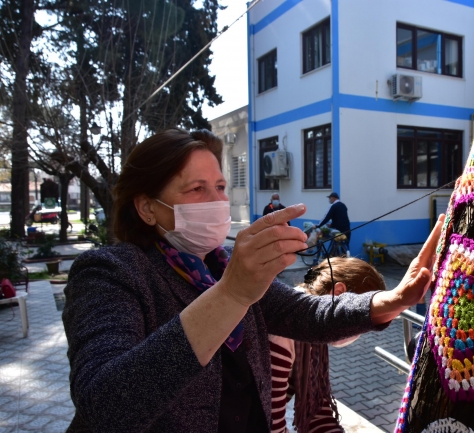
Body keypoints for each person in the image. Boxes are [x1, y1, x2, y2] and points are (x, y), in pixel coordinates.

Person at [62, 128, 445, 432]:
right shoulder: (109, 273)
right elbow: (105, 405)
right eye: (197, 189)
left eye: (220, 187)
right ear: (146, 208)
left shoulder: (219, 265)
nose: (216, 201)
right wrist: (230, 294)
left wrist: (390, 299)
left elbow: (304, 313)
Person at [269, 257, 386, 433]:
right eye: (362, 325)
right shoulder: (282, 335)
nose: (359, 335)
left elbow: (317, 412)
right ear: (338, 293)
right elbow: (268, 424)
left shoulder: (313, 330)